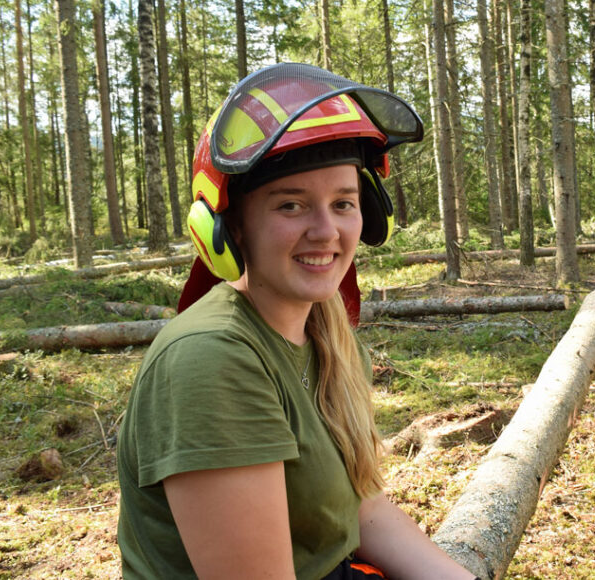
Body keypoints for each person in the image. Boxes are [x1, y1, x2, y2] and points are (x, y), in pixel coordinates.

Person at [117, 63, 476, 580]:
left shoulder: (326, 332)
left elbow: (364, 509)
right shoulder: (212, 359)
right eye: (291, 205)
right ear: (229, 227)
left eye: (343, 203)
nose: (326, 230)